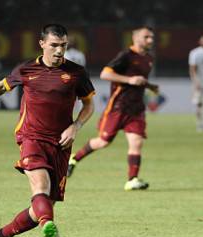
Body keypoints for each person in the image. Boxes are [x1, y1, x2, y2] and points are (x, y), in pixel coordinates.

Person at [0, 24, 95, 237]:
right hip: (31, 137)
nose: (60, 51)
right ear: (42, 44)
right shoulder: (27, 68)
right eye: (54, 45)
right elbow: (1, 87)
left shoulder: (76, 73)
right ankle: (48, 226)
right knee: (40, 189)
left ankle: (2, 236)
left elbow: (89, 105)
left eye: (63, 46)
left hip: (61, 143)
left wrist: (76, 126)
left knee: (44, 204)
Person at [67, 26, 158, 191]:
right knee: (103, 142)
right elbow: (105, 74)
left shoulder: (149, 58)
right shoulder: (126, 56)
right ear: (136, 38)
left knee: (136, 143)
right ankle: (74, 159)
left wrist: (151, 86)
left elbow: (140, 80)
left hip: (136, 109)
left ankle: (132, 179)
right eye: (146, 37)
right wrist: (129, 80)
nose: (150, 40)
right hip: (118, 107)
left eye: (151, 37)